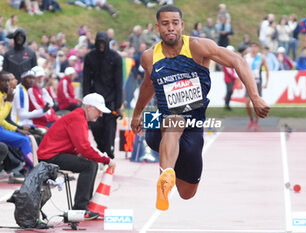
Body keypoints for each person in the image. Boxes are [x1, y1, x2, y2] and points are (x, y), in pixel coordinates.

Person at [130, 5, 270, 211]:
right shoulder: (150, 57)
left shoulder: (198, 47)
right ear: (158, 28)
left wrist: (255, 95)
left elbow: (237, 60)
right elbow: (148, 85)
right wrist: (137, 114)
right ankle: (165, 175)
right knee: (173, 121)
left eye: (175, 23)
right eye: (165, 24)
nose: (170, 28)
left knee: (187, 193)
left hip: (194, 127)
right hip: (163, 126)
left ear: (182, 26)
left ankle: (171, 169)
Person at [37, 93, 116, 219]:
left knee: (91, 164)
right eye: (99, 111)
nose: (100, 115)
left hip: (53, 154)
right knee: (89, 166)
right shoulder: (78, 118)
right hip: (50, 156)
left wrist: (84, 154)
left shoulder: (79, 117)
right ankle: (80, 209)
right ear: (89, 108)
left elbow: (79, 146)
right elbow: (84, 147)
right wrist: (106, 160)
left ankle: (84, 206)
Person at [83, 31, 123, 159]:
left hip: (110, 100)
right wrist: (86, 101)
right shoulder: (90, 57)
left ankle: (109, 153)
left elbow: (119, 82)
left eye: (103, 43)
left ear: (107, 43)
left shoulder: (116, 57)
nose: (101, 45)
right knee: (96, 128)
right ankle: (101, 150)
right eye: (99, 43)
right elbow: (86, 81)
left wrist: (118, 106)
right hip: (95, 100)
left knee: (110, 131)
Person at [0, 71, 34, 170]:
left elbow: (2, 121)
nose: (6, 83)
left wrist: (17, 130)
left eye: (8, 81)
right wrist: (9, 102)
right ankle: (33, 169)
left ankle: (29, 168)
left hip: (1, 128)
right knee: (24, 141)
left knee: (27, 138)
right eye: (3, 81)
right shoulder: (5, 97)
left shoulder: (3, 95)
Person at [244, 42, 269, 131]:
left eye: (255, 47)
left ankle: (256, 122)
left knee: (257, 104)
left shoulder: (261, 57)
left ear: (258, 48)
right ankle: (251, 120)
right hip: (248, 82)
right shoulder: (246, 57)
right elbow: (241, 69)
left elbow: (267, 69)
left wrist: (266, 82)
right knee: (247, 102)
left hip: (258, 82)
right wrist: (240, 81)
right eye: (252, 47)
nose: (254, 49)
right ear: (250, 48)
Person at [223, 45, 238, 110]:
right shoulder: (226, 60)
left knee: (230, 91)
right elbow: (229, 70)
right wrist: (235, 77)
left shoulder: (230, 59)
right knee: (230, 91)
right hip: (228, 79)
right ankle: (227, 105)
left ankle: (227, 104)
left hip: (231, 79)